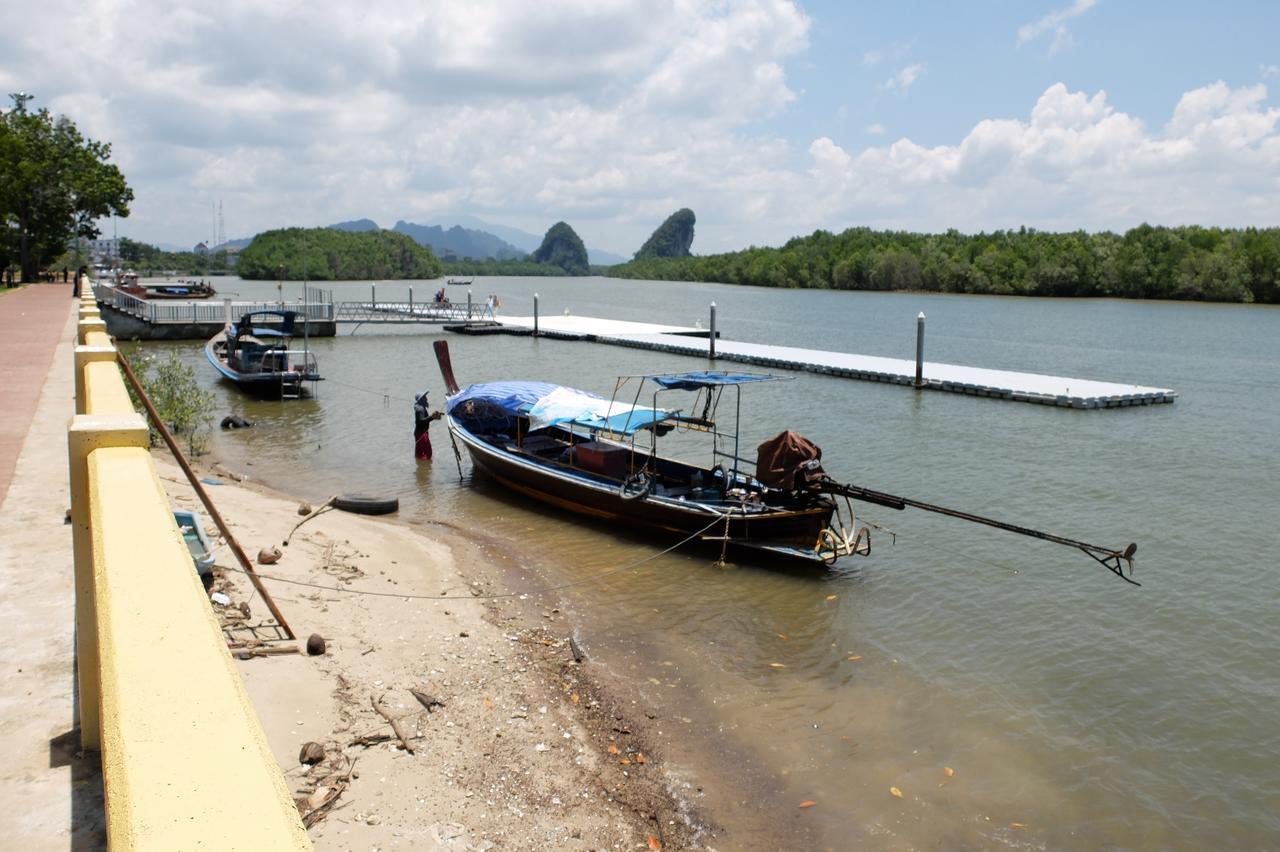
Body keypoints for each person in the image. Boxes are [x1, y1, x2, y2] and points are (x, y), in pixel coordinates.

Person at [414, 390, 443, 460]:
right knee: (428, 453)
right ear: (421, 399)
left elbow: (424, 419)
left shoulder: (420, 407)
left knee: (419, 453)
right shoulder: (420, 409)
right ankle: (425, 468)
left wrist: (433, 417)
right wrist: (432, 416)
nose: (426, 399)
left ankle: (420, 467)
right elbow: (421, 421)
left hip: (419, 433)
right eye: (424, 397)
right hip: (421, 434)